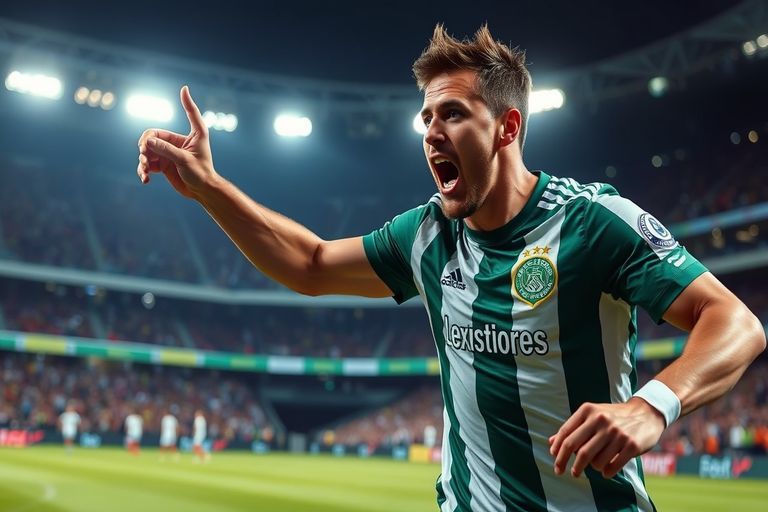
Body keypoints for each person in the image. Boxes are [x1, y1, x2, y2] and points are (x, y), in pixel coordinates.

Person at [137, 24, 765, 512]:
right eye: (427, 117)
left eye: (454, 114)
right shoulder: (428, 235)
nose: (431, 132)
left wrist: (651, 406)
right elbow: (310, 263)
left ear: (507, 128)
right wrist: (209, 189)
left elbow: (736, 323)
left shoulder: (592, 222)